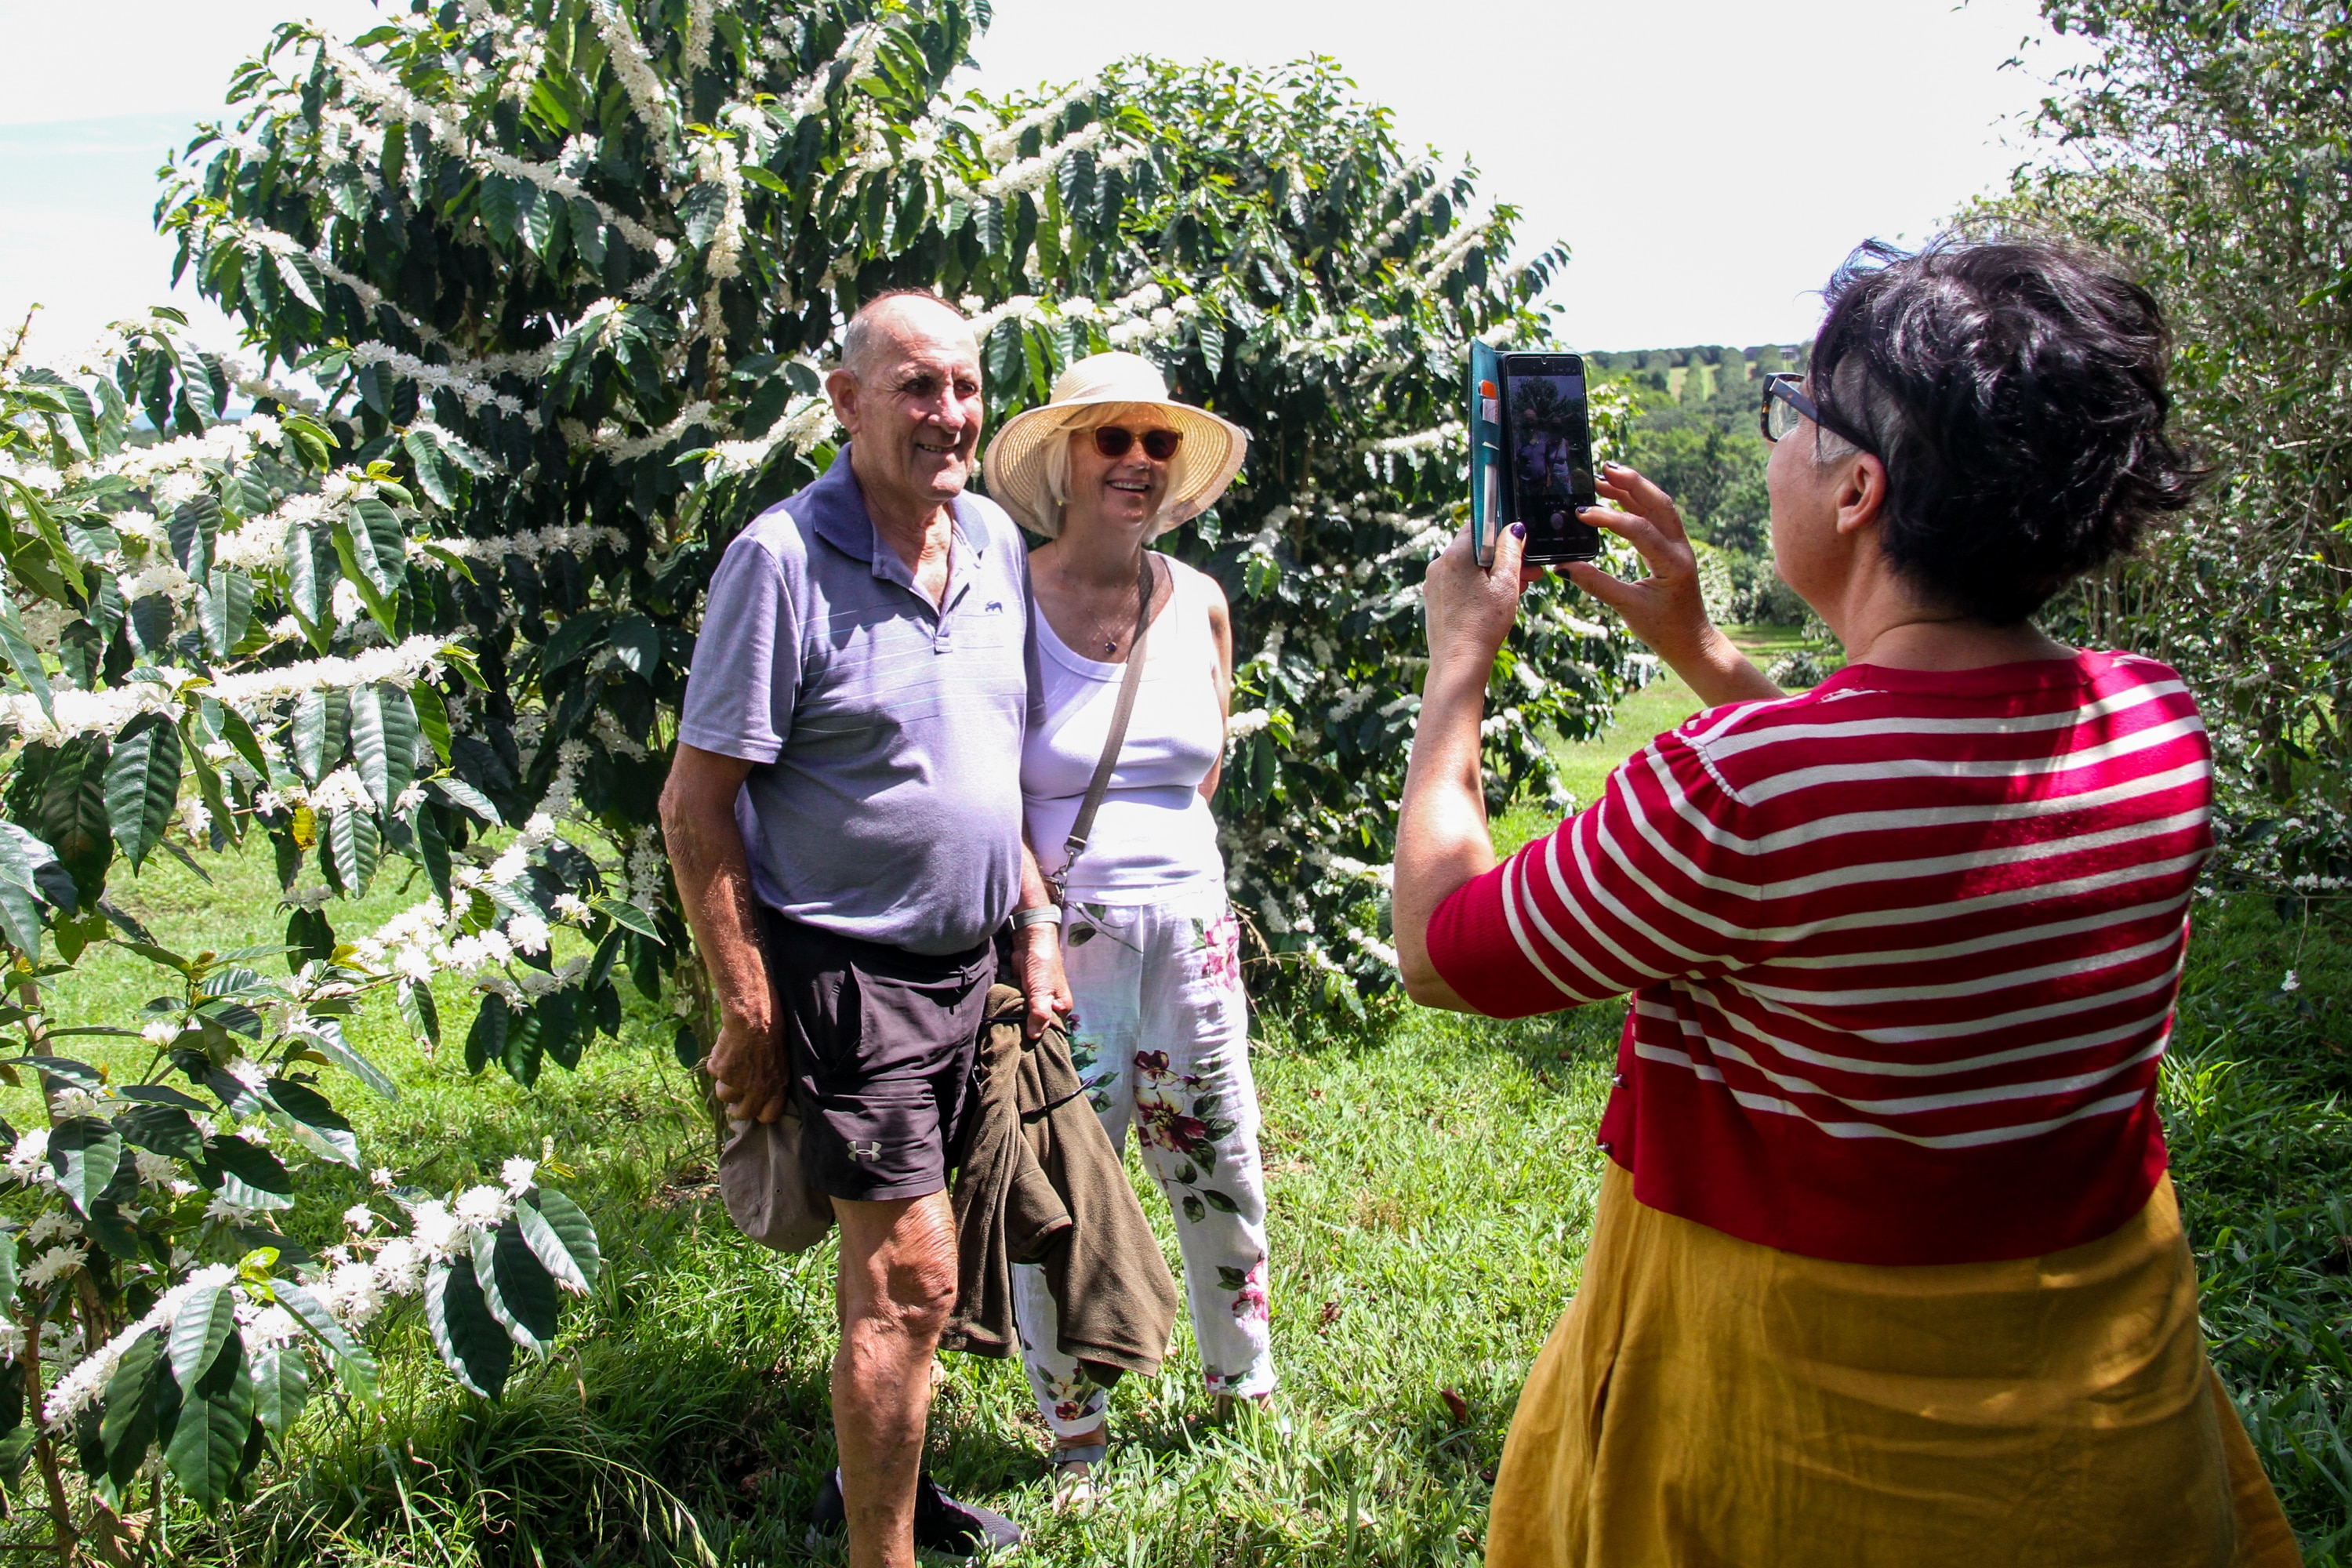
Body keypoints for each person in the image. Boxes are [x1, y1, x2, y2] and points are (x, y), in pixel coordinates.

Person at [1392, 238, 2299, 1566]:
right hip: (2100, 1434)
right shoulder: (2154, 718)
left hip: (1797, 1437)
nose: (1780, 444)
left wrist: (1456, 669)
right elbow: (1899, 788)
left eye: (1794, 413)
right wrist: (1699, 650)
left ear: (1860, 487)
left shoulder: (1735, 790)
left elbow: (1444, 947)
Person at [660, 289, 1068, 1568]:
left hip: (971, 968)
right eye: (916, 388)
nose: (948, 415)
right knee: (913, 1281)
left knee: (903, 1273)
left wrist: (1032, 924)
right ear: (844, 402)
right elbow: (694, 803)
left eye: (964, 387)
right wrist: (748, 1005)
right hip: (851, 971)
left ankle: (884, 1495)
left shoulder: (997, 542)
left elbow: (983, 763)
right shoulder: (781, 563)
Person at [981, 352, 1271, 1501]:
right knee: (1063, 1180)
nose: (1137, 463)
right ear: (1065, 456)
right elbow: (986, 787)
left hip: (1191, 926)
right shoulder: (1007, 599)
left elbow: (1202, 774)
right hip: (1065, 935)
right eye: (1112, 441)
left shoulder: (1198, 599)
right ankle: (1075, 1427)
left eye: (1157, 445)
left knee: (1221, 1155)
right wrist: (1038, 916)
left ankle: (1241, 1385)